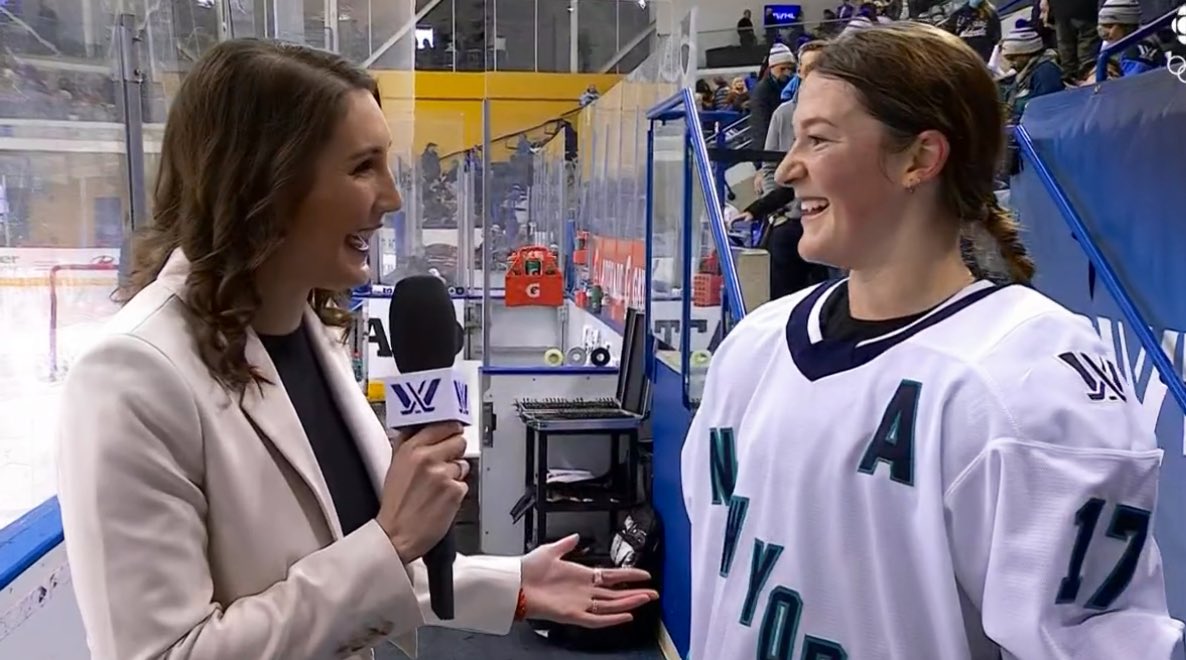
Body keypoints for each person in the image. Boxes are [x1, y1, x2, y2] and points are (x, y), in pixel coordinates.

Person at [56, 39, 657, 660]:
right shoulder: (131, 377)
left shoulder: (311, 334)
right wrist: (393, 538)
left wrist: (511, 584)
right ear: (265, 183)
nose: (393, 198)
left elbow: (350, 564)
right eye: (362, 166)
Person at [682, 23, 1183, 660]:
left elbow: (1095, 643)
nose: (787, 167)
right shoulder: (755, 343)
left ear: (919, 159)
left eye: (819, 139)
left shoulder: (1025, 373)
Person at [998, 25, 1064, 122]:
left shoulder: (1045, 72)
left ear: (1027, 53)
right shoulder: (1024, 74)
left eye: (1013, 58)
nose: (1011, 64)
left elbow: (1045, 108)